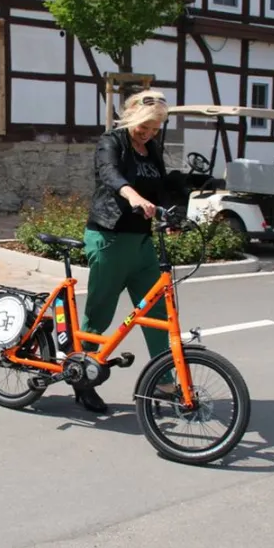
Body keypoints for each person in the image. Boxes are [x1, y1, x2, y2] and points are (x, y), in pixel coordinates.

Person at [76, 89, 179, 413]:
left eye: (155, 128)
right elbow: (109, 173)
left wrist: (171, 213)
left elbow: (161, 187)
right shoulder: (112, 141)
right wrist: (131, 195)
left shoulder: (152, 149)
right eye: (144, 127)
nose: (148, 133)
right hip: (110, 237)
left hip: (141, 243)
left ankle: (163, 384)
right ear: (132, 115)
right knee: (100, 313)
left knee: (157, 314)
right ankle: (84, 378)